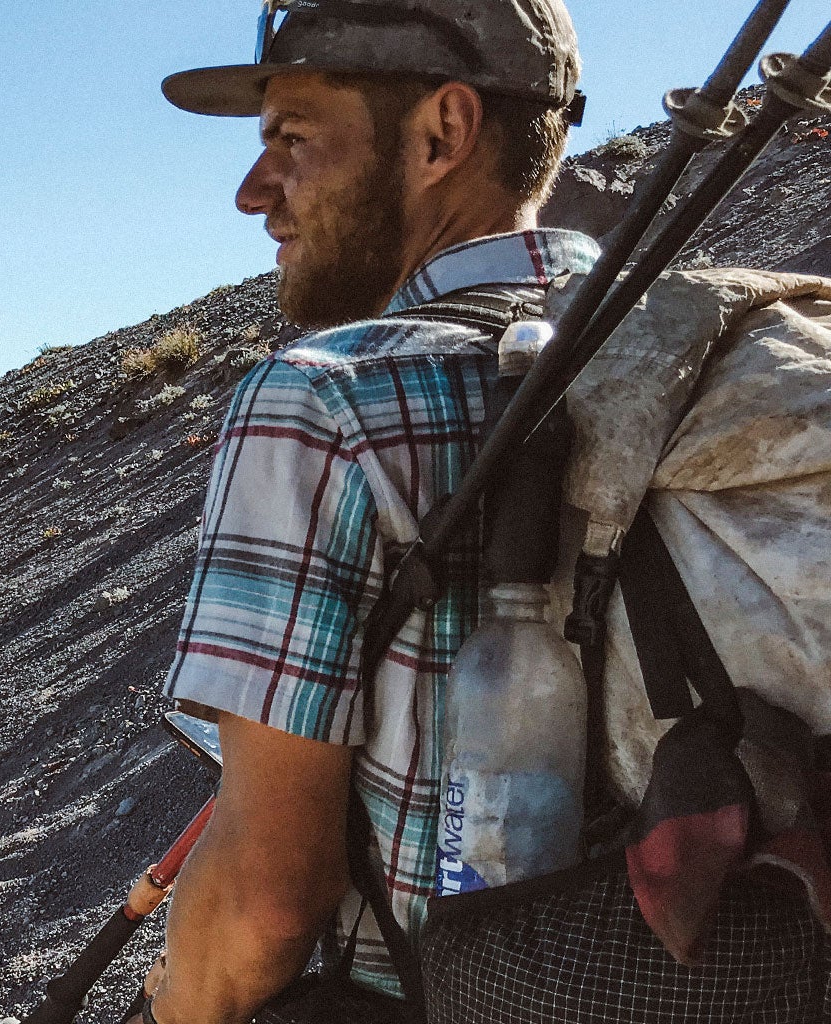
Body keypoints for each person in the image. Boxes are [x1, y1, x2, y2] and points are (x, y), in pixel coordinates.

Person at [137, 2, 591, 1021]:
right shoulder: (678, 351)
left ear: (441, 133)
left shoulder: (319, 401)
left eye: (292, 139)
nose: (254, 192)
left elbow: (264, 899)